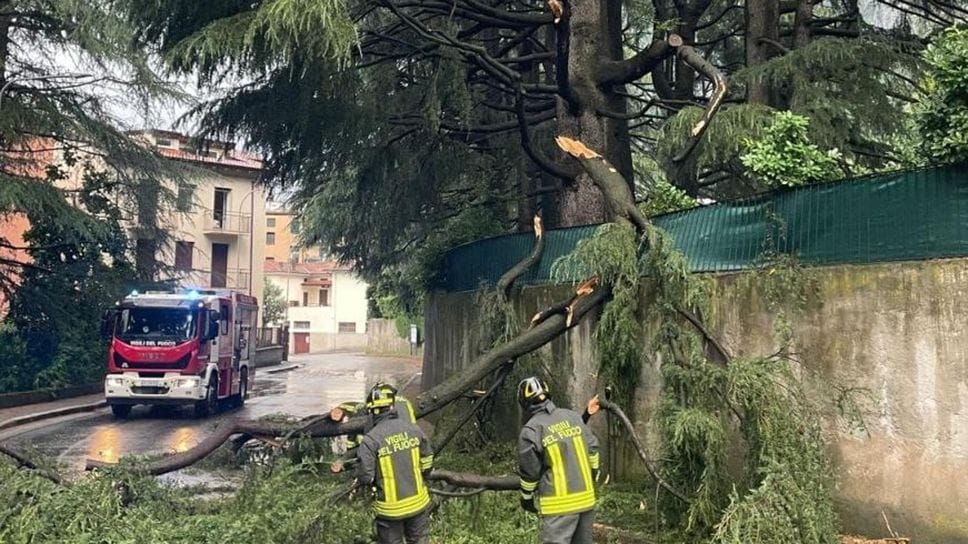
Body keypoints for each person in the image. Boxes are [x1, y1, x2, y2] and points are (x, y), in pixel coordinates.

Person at [517, 377, 599, 544]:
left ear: (524, 403)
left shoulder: (531, 430)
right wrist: (592, 477)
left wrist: (526, 498)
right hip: (587, 499)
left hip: (559, 506)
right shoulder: (574, 417)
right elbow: (593, 450)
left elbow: (530, 473)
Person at [356, 383, 434, 544]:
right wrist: (423, 475)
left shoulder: (370, 440)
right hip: (418, 502)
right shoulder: (413, 429)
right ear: (392, 406)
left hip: (390, 510)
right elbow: (427, 460)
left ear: (372, 411)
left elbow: (366, 477)